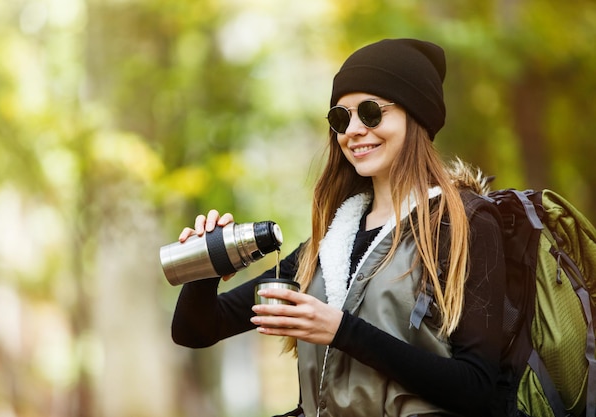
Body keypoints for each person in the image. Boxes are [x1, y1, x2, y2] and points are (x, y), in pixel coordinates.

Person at [171, 38, 508, 417]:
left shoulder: (465, 224)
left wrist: (343, 331)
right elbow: (196, 330)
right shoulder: (329, 244)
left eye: (370, 112)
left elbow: (476, 388)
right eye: (340, 118)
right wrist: (205, 264)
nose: (353, 130)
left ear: (417, 116)